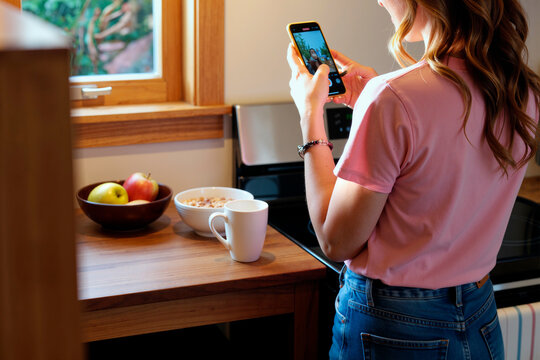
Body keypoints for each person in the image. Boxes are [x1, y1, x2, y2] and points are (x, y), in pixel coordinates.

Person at [286, 0, 540, 358]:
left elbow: (335, 240)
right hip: (481, 314)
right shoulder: (521, 91)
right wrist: (375, 104)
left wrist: (310, 115)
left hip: (393, 327)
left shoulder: (392, 97)